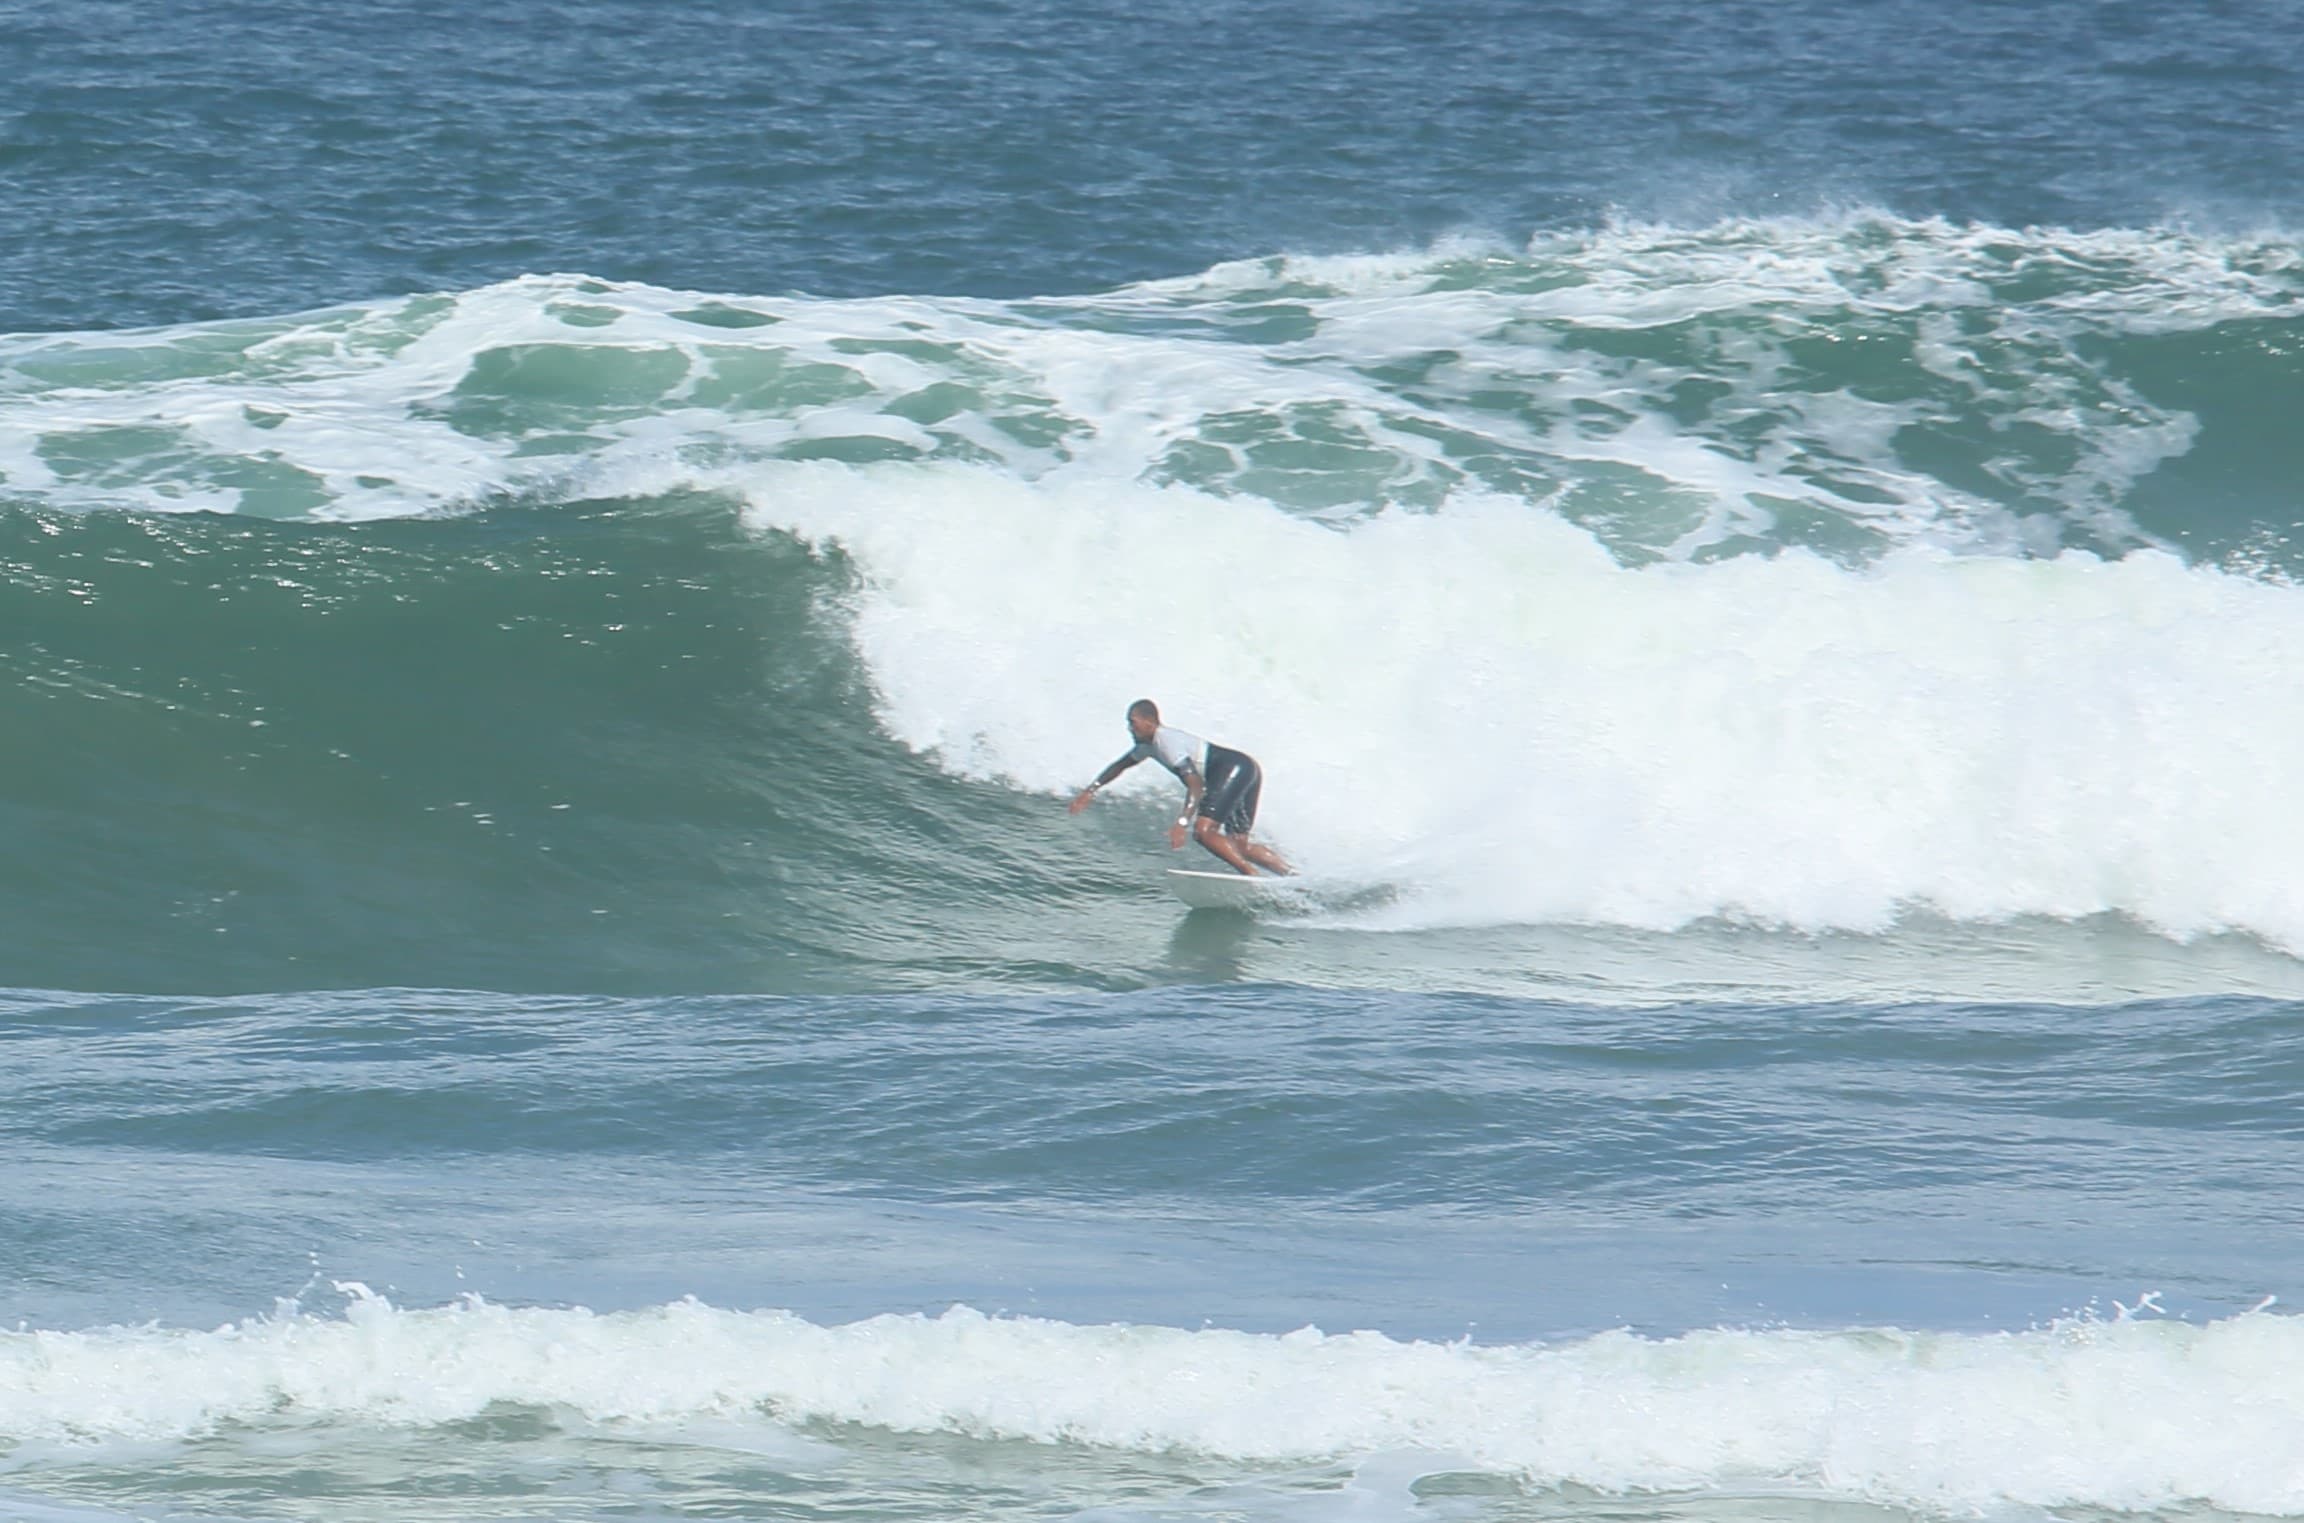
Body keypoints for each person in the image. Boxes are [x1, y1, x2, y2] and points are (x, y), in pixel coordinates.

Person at [1068, 699, 1291, 876]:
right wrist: (1091, 790)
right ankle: (1290, 874)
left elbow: (1195, 785)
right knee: (1237, 844)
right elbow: (1120, 766)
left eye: (1133, 722)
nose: (1130, 728)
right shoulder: (1148, 746)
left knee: (1203, 832)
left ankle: (1249, 874)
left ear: (1149, 722)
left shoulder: (1165, 741)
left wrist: (1182, 823)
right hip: (1245, 767)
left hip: (1231, 769)